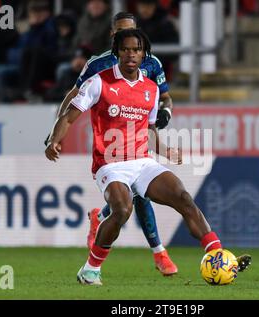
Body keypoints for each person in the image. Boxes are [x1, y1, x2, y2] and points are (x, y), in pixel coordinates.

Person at [45, 29, 252, 285]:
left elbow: (149, 129)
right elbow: (69, 115)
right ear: (117, 52)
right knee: (122, 209)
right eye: (125, 49)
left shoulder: (151, 89)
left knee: (183, 197)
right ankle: (90, 270)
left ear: (144, 54)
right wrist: (55, 139)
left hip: (142, 162)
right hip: (109, 164)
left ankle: (217, 254)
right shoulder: (99, 82)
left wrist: (165, 151)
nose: (131, 54)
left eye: (136, 49)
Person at [46, 12, 177, 276]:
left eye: (130, 33)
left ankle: (103, 218)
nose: (128, 44)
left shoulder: (151, 62)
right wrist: (54, 134)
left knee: (138, 193)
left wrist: (166, 112)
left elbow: (165, 97)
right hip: (111, 140)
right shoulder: (98, 65)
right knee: (134, 196)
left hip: (139, 135)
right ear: (112, 37)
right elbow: (74, 96)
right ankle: (159, 253)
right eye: (119, 35)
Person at [0, 0, 57, 102]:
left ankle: (6, 103)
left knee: (1, 73)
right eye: (33, 13)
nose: (36, 16)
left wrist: (37, 26)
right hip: (16, 63)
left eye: (39, 13)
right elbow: (17, 49)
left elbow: (39, 50)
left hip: (36, 67)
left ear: (47, 14)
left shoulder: (50, 28)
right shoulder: (28, 32)